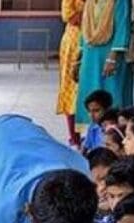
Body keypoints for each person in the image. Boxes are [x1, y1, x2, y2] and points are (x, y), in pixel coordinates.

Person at [76, 0, 134, 127]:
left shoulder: (121, 1)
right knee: (89, 94)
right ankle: (91, 132)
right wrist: (79, 58)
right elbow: (84, 27)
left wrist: (112, 58)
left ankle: (114, 132)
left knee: (112, 94)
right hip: (89, 56)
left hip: (110, 56)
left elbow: (122, 27)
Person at [57, 0, 87, 147]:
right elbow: (70, 17)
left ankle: (90, 136)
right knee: (72, 89)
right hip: (74, 44)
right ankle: (75, 136)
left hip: (94, 43)